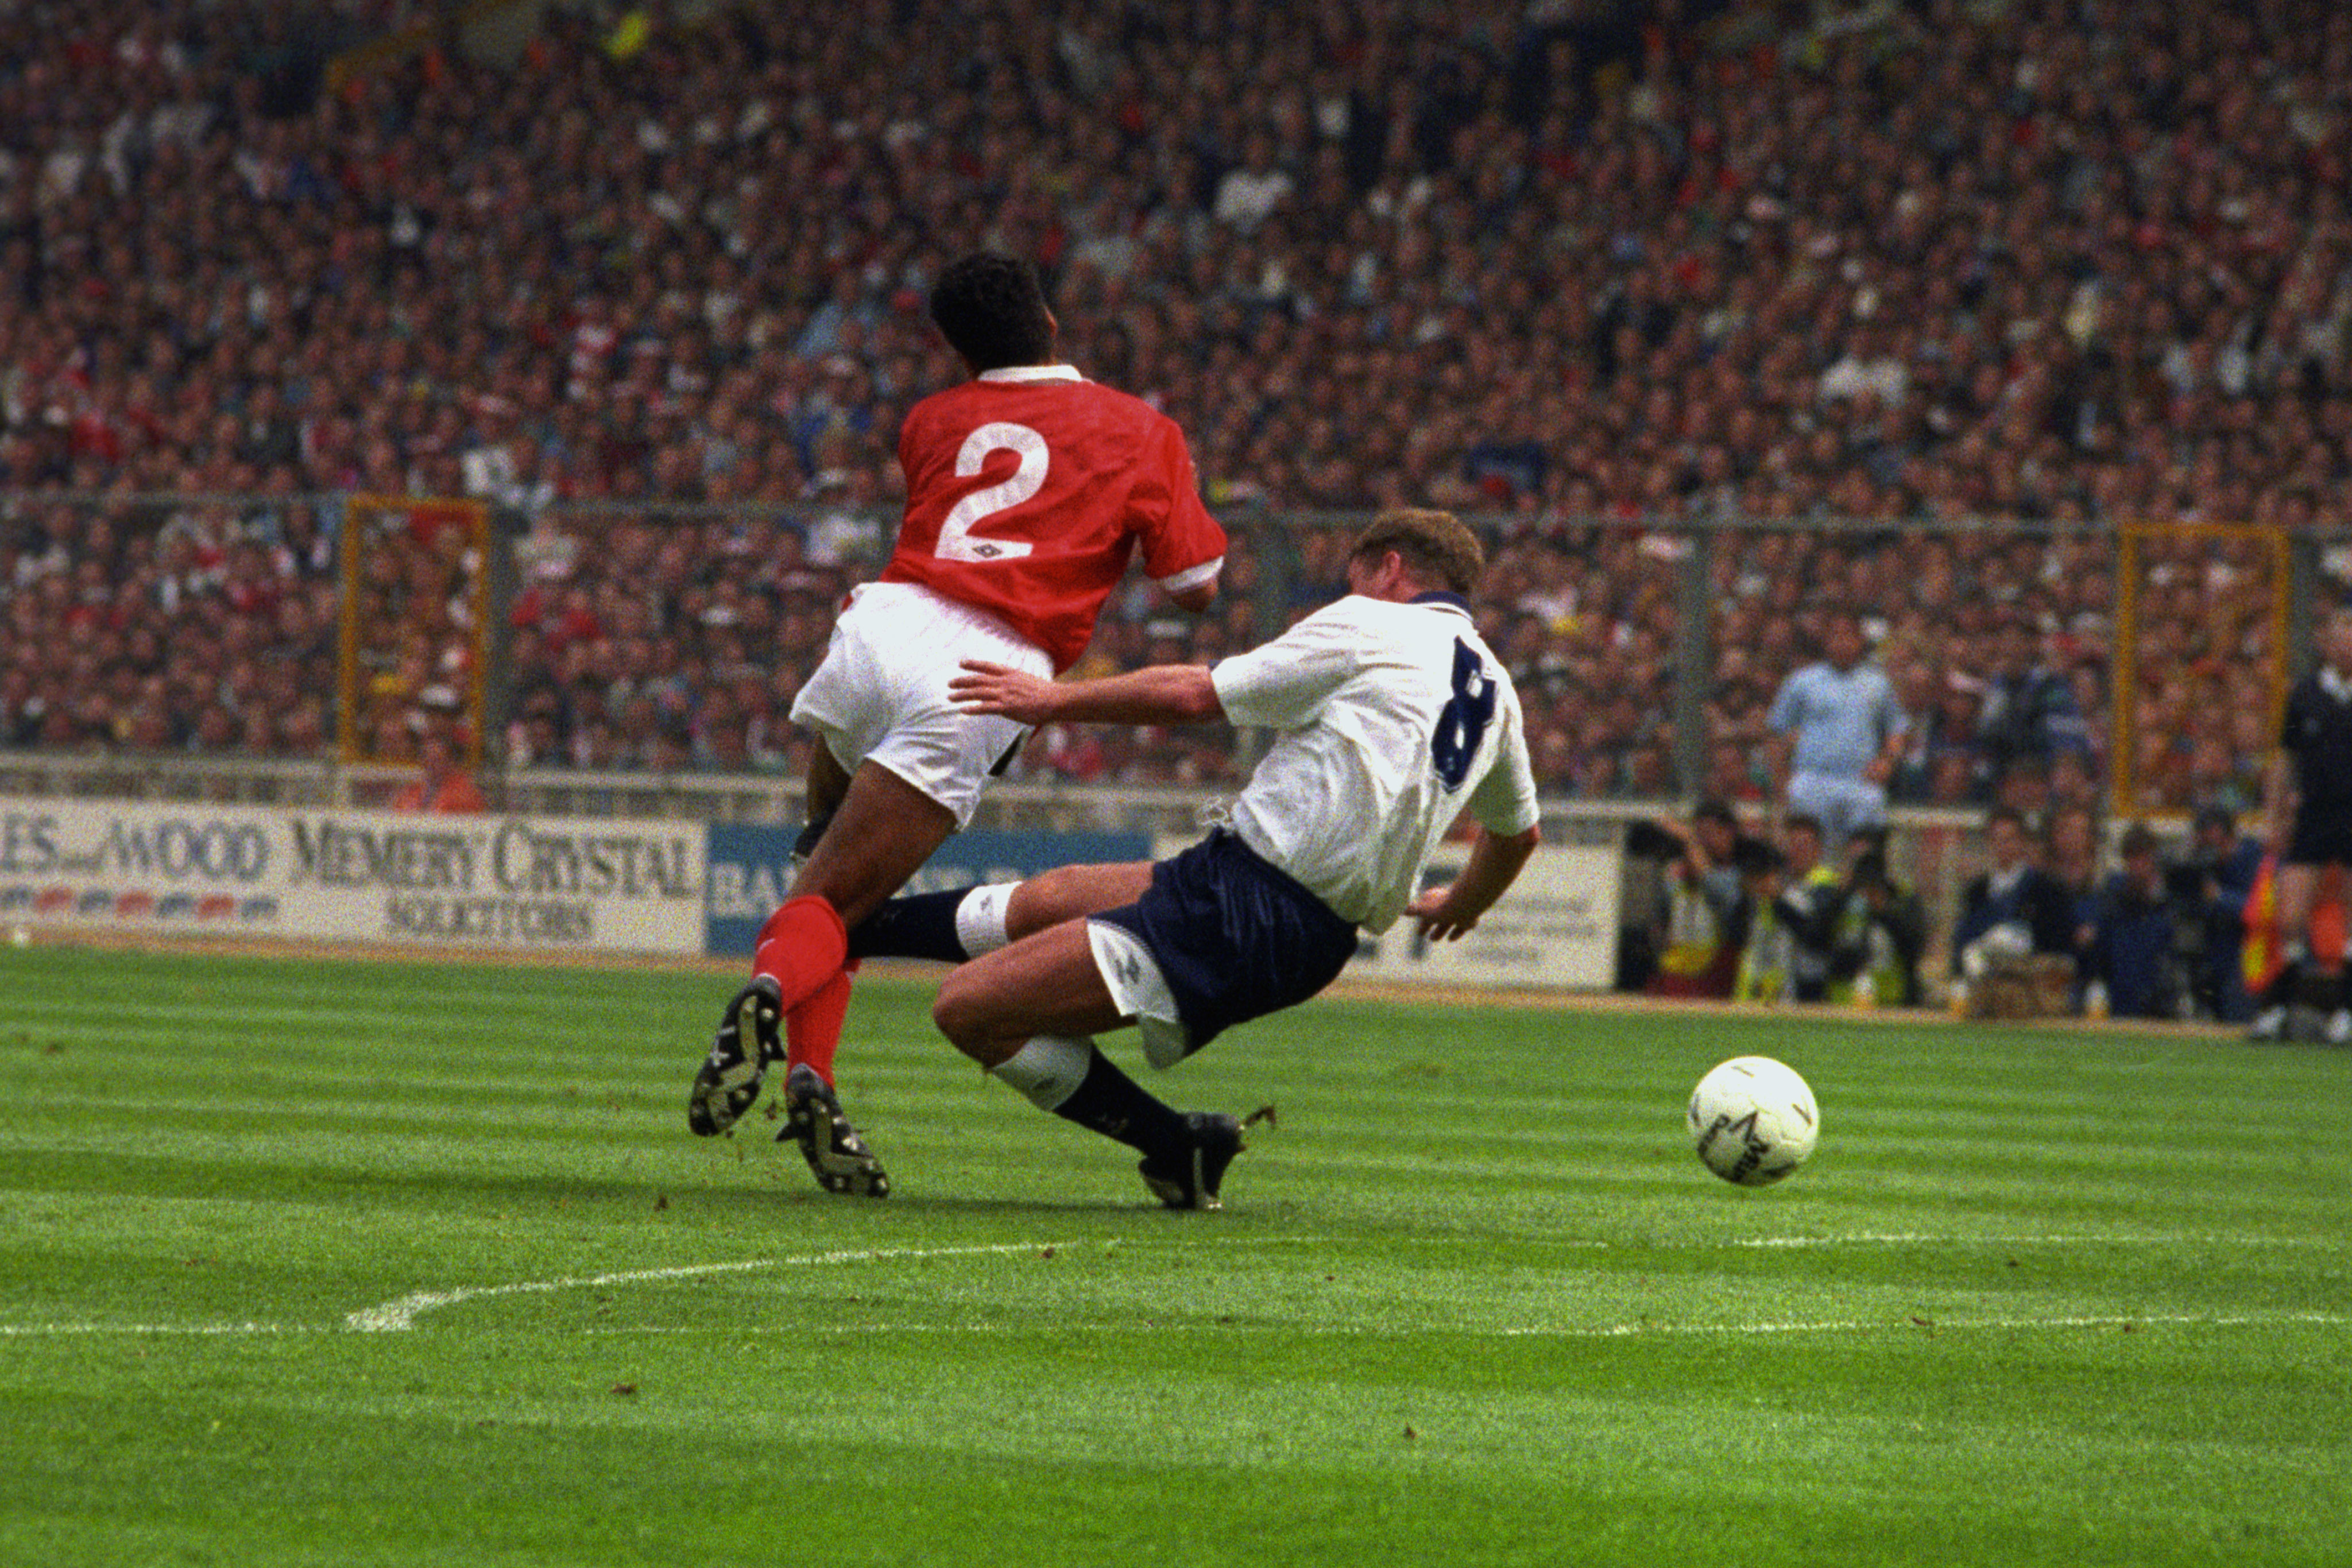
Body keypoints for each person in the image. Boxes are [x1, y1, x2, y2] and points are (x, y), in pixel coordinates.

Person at [685, 253, 1229, 1194]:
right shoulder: (1141, 429)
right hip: (985, 669)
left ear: (953, 344)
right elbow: (1195, 588)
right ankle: (773, 991)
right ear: (1050, 321)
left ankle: (811, 1070)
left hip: (879, 624)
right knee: (834, 904)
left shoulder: (930, 420)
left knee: (824, 871)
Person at [846, 510, 1541, 1208]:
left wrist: (1053, 701)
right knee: (1053, 898)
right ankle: (849, 925)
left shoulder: (1372, 623)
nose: (1347, 592)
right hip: (1275, 905)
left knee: (969, 1010)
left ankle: (1177, 1143)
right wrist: (1461, 904)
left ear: (1390, 567)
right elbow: (1517, 835)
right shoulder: (1497, 691)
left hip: (1249, 911)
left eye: (1355, 577)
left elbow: (1193, 694)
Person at [2250, 606, 2352, 1043]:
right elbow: (2285, 757)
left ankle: (2346, 1011)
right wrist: (2275, 814)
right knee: (2289, 916)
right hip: (2313, 812)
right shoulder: (2306, 694)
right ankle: (2279, 1007)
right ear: (2326, 643)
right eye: (2342, 634)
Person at [1765, 613, 1909, 851]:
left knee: (1865, 855)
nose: (1842, 642)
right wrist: (1782, 785)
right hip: (1812, 781)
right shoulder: (1802, 681)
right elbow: (1775, 733)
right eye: (1835, 636)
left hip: (1861, 783)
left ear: (1860, 640)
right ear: (1826, 640)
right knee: (1809, 856)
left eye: (1849, 636)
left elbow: (1897, 730)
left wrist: (1887, 761)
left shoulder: (1878, 683)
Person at [1952, 805, 2078, 978]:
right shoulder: (1976, 892)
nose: (2003, 846)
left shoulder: (2046, 890)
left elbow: (2059, 948)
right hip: (1984, 987)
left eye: (2009, 839)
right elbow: (1963, 941)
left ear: (2023, 842)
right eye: (1996, 839)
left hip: (2031, 989)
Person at [2082, 822, 2187, 1020]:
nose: (2138, 866)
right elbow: (2102, 953)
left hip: (2161, 1002)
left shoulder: (2170, 901)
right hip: (2121, 999)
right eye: (2132, 859)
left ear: (2153, 858)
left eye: (2143, 858)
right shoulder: (2113, 902)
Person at [391, 735, 488, 814]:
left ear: (450, 761)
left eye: (437, 760)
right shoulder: (413, 790)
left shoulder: (466, 793)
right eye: (427, 759)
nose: (431, 765)